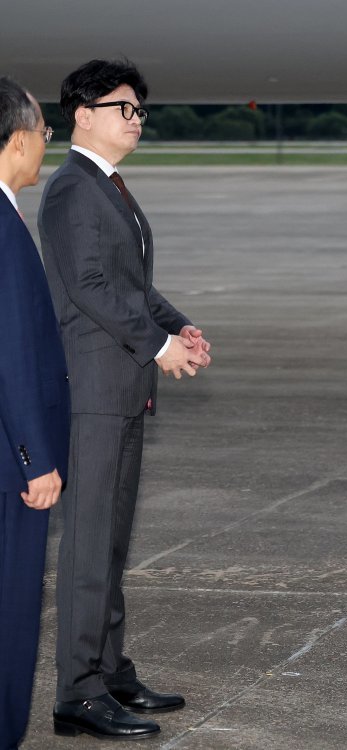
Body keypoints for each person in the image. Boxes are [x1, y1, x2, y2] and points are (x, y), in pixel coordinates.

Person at [39, 59, 212, 740]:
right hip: (93, 391)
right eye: (124, 108)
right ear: (82, 114)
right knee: (87, 545)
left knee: (110, 542)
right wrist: (156, 345)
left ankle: (108, 671)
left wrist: (177, 327)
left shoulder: (107, 188)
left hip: (122, 388)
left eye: (140, 110)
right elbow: (89, 286)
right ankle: (76, 694)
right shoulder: (72, 189)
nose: (136, 121)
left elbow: (133, 285)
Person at [0, 76, 71, 750]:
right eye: (45, 131)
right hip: (10, 468)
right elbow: (13, 353)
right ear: (17, 139)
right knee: (11, 618)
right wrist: (36, 458)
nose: (46, 144)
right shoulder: (1, 225)